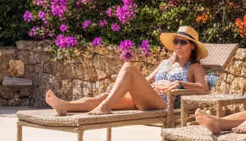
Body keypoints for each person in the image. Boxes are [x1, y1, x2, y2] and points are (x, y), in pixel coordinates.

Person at [44, 26, 210, 116]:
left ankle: (105, 107)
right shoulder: (165, 63)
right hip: (148, 97)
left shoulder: (194, 66)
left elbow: (204, 89)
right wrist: (125, 88)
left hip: (164, 103)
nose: (178, 46)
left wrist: (179, 83)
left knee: (129, 67)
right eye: (176, 42)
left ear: (192, 46)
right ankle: (65, 106)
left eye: (183, 42)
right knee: (104, 96)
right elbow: (146, 80)